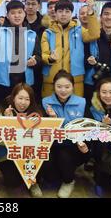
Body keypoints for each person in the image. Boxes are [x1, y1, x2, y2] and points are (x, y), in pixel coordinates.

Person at [41, 70, 90, 198]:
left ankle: (69, 181)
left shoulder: (82, 102)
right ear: (54, 87)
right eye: (59, 86)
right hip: (52, 145)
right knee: (50, 174)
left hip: (73, 147)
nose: (63, 90)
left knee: (64, 156)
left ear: (73, 87)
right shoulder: (45, 102)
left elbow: (87, 127)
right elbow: (40, 129)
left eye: (67, 87)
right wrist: (52, 119)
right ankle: (59, 175)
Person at [41, 0, 100, 98]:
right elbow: (44, 54)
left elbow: (94, 34)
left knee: (75, 110)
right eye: (60, 11)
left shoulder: (80, 30)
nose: (63, 14)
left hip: (75, 80)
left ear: (72, 13)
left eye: (67, 11)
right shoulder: (47, 33)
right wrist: (50, 58)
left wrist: (91, 12)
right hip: (51, 80)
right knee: (50, 110)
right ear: (55, 13)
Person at [0, 0, 41, 108]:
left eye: (19, 12)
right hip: (3, 83)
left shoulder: (32, 34)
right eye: (13, 13)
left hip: (25, 82)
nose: (17, 16)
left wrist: (35, 60)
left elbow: (38, 55)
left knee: (24, 113)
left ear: (24, 13)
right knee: (3, 113)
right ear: (7, 16)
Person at [0, 83, 44, 197]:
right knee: (12, 182)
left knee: (40, 168)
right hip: (8, 154)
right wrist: (7, 121)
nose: (23, 102)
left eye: (27, 99)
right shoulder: (3, 111)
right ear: (13, 97)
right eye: (20, 98)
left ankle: (33, 183)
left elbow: (41, 140)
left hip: (29, 154)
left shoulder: (36, 114)